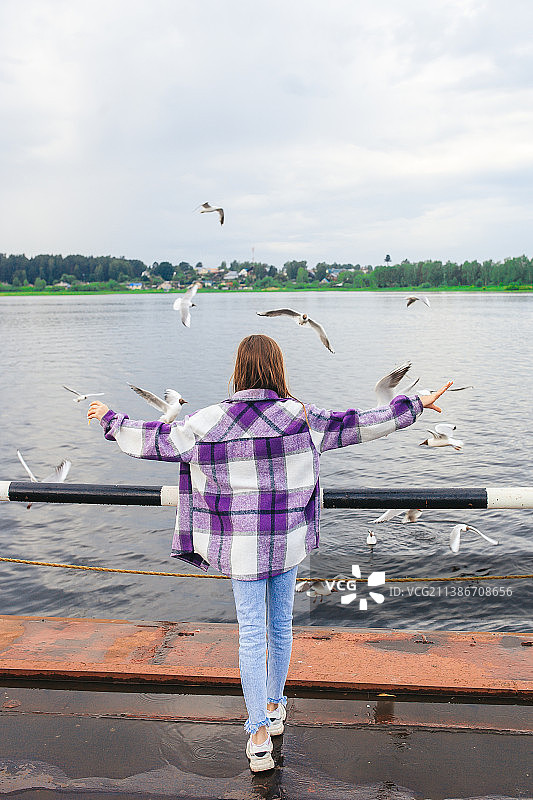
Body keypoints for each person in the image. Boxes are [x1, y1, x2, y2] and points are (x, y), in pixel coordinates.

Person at [87, 334, 452, 773]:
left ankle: (258, 735)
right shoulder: (302, 417)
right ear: (278, 369)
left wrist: (111, 419)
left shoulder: (207, 421)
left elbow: (154, 440)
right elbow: (361, 423)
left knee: (250, 633)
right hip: (286, 541)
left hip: (240, 547)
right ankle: (275, 707)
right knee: (280, 626)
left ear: (238, 370)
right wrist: (415, 404)